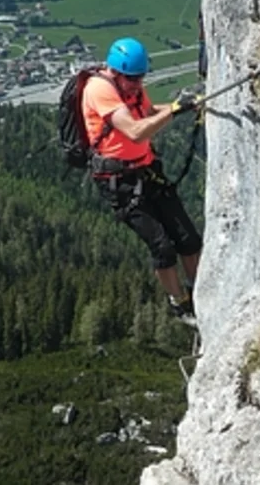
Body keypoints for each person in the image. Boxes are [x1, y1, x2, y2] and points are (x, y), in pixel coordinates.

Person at [81, 37, 204, 324]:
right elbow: (136, 132)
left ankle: (199, 293)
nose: (137, 84)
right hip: (119, 181)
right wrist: (174, 112)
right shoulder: (100, 90)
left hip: (147, 171)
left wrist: (180, 106)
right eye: (132, 79)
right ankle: (179, 303)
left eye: (140, 78)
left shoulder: (130, 87)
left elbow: (146, 113)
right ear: (115, 72)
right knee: (162, 247)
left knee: (189, 239)